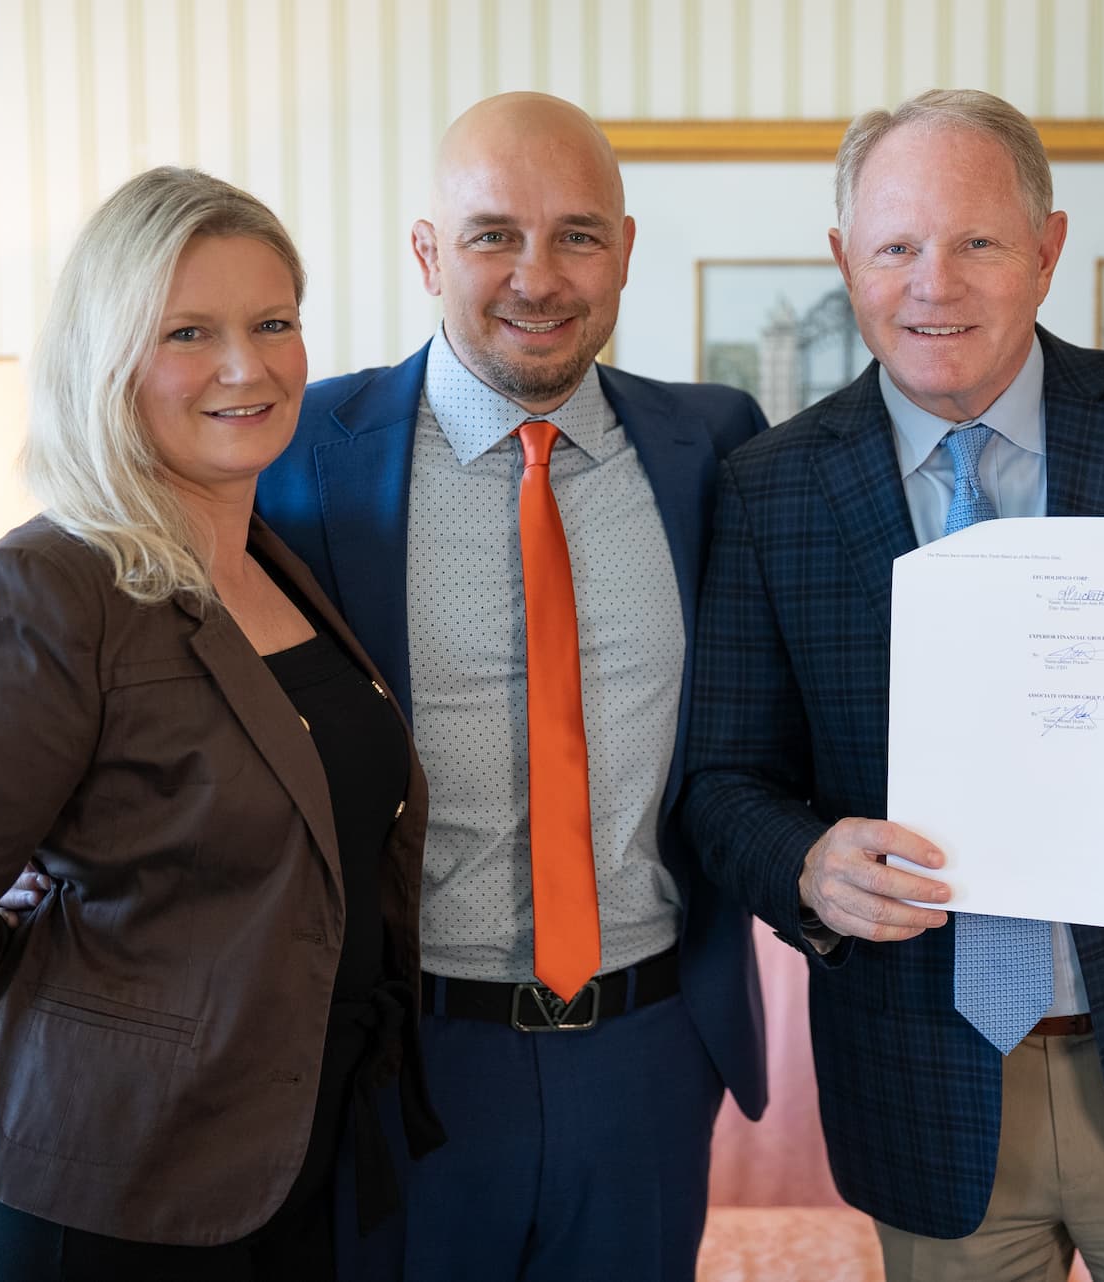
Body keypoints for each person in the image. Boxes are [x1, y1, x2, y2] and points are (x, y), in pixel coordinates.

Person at [683, 89, 1104, 1282]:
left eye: (979, 241)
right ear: (845, 261)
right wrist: (805, 864)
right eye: (896, 246)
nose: (934, 282)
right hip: (925, 1081)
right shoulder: (770, 487)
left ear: (1047, 250)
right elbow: (723, 782)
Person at [0, 167, 443, 1281]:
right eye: (189, 331)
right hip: (94, 1183)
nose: (245, 365)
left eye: (273, 323)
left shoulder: (272, 563)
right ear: (106, 358)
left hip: (282, 1158)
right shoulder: (50, 590)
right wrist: (79, 1005)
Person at [253, 92, 769, 1282]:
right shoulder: (300, 456)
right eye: (493, 235)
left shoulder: (717, 444)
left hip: (649, 1051)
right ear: (430, 252)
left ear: (627, 250)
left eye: (577, 234)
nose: (538, 275)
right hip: (404, 1053)